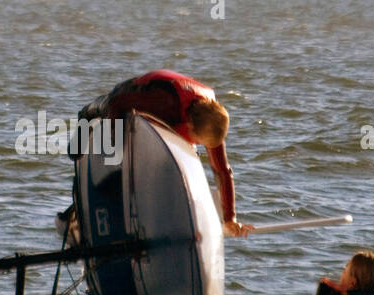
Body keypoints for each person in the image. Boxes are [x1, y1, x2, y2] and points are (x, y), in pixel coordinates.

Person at [67, 70, 252, 237]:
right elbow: (118, 103)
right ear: (189, 125)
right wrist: (115, 150)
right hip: (128, 92)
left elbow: (222, 171)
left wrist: (230, 219)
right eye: (197, 141)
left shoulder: (213, 120)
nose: (197, 145)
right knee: (80, 140)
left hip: (177, 102)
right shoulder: (165, 105)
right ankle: (83, 120)